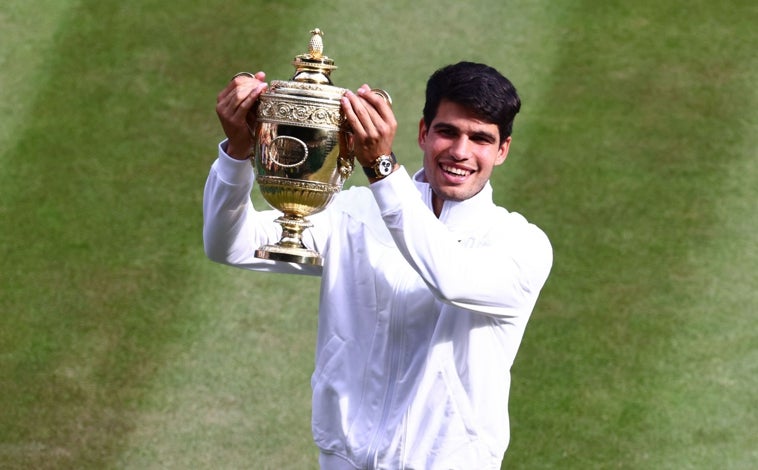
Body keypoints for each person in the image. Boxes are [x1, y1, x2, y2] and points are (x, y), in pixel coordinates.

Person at [204, 61, 553, 469]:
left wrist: (382, 170)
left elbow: (451, 278)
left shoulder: (522, 245)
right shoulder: (356, 213)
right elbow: (230, 245)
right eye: (447, 132)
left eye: (480, 138)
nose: (461, 152)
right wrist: (238, 151)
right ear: (424, 133)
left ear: (502, 150)